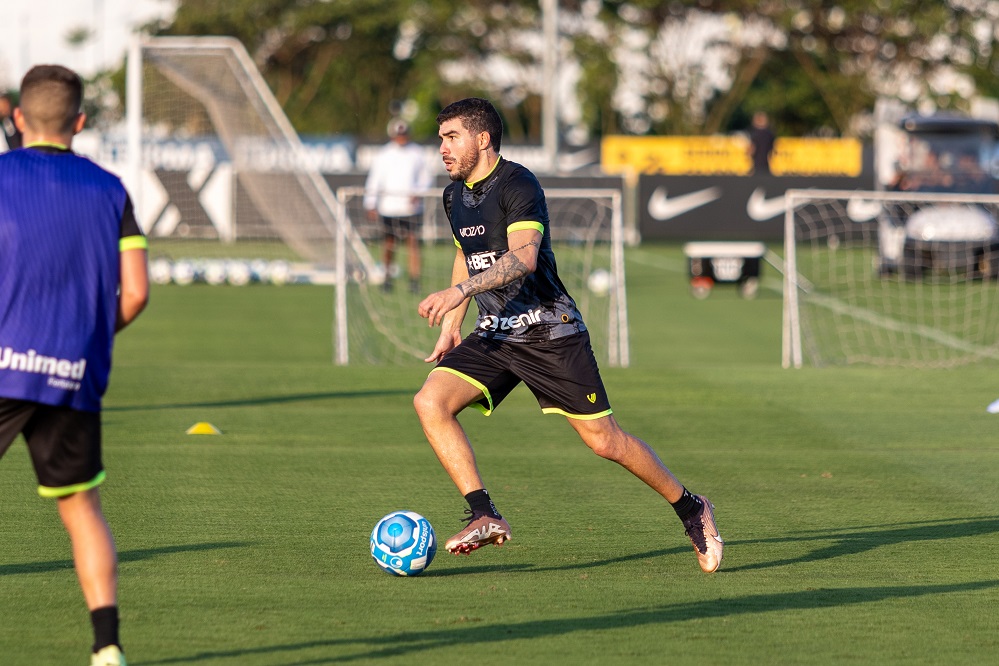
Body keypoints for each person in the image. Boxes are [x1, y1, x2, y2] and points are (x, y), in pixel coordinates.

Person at [413, 98, 723, 573]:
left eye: (451, 137)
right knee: (430, 402)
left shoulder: (518, 184)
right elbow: (466, 251)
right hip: (496, 333)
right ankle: (484, 514)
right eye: (441, 139)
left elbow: (524, 259)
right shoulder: (454, 195)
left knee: (604, 441)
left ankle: (691, 508)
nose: (442, 148)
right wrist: (453, 325)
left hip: (549, 331)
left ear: (483, 139)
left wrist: (458, 292)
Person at [0, 65, 149, 666]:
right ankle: (107, 646)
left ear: (17, 119)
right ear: (81, 123)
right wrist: (87, 337)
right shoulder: (111, 189)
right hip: (72, 370)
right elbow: (135, 293)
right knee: (81, 508)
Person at [363, 118, 434, 293]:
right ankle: (387, 276)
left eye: (403, 134)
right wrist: (371, 203)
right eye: (398, 135)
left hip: (410, 208)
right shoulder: (383, 155)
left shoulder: (417, 153)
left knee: (413, 242)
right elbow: (375, 180)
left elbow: (427, 178)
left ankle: (414, 280)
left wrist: (418, 193)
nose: (401, 138)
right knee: (389, 243)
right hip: (389, 207)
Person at [748, 110, 775, 175]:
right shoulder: (770, 134)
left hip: (757, 167)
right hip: (767, 166)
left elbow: (751, 150)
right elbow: (772, 151)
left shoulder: (754, 135)